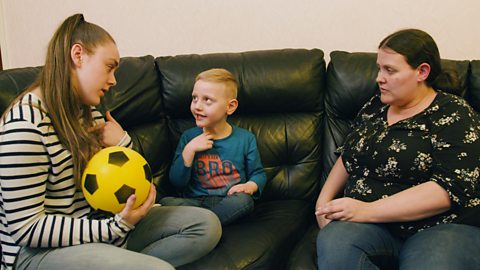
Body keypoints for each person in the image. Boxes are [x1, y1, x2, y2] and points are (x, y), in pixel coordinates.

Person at [0, 14, 221, 270]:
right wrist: (114, 227)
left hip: (97, 228)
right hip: (40, 252)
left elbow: (135, 181)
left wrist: (124, 143)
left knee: (205, 225)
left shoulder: (88, 113)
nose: (114, 80)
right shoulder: (24, 126)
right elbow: (27, 228)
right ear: (78, 55)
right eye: (109, 66)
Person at [315, 29, 480, 269]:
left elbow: (447, 190)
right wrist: (323, 204)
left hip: (440, 226)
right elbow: (349, 156)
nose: (379, 78)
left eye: (390, 70)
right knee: (334, 244)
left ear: (422, 72)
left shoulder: (454, 113)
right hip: (371, 227)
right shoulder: (374, 107)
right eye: (379, 68)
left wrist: (366, 210)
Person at [160, 68, 267, 225]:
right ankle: (209, 222)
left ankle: (203, 223)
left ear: (230, 107)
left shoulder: (245, 139)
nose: (197, 106)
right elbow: (177, 182)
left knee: (244, 201)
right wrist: (189, 151)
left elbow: (258, 174)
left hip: (229, 201)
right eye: (195, 98)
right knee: (166, 202)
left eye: (207, 100)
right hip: (195, 202)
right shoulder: (188, 138)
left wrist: (250, 185)